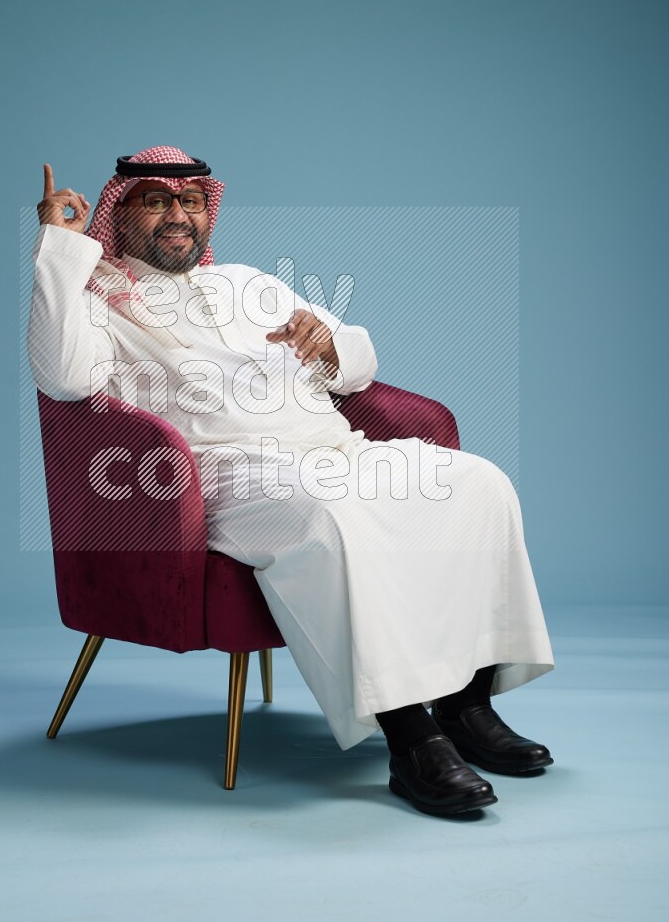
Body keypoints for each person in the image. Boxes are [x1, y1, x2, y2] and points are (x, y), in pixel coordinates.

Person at [27, 145, 555, 817]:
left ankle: (466, 705)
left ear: (208, 211)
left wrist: (328, 343)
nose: (178, 216)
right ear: (118, 212)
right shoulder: (94, 298)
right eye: (155, 200)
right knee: (330, 516)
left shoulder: (249, 283)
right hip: (218, 477)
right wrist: (57, 249)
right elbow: (63, 379)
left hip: (334, 448)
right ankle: (411, 738)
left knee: (478, 484)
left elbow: (358, 367)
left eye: (190, 201)